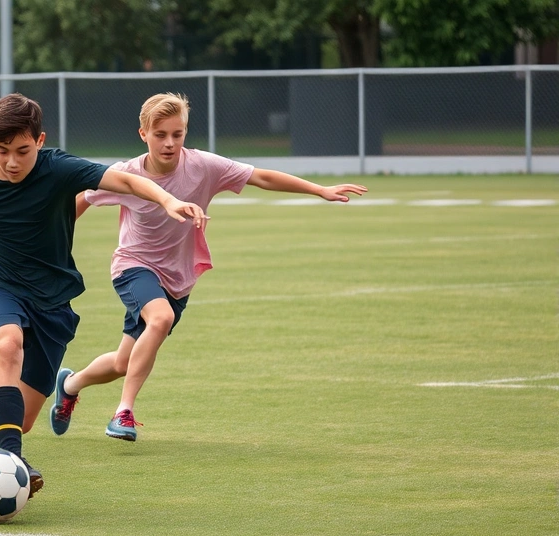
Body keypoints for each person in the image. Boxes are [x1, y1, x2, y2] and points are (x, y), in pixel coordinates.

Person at [0, 93, 208, 501]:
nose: (12, 162)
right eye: (2, 152)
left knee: (19, 419)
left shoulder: (61, 169)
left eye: (22, 150)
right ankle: (14, 463)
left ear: (39, 141)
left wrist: (168, 199)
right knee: (8, 344)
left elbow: (124, 179)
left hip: (52, 303)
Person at [50, 92, 367, 442]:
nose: (170, 143)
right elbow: (81, 198)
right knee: (161, 319)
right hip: (133, 266)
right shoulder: (127, 175)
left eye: (177, 134)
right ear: (143, 134)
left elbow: (261, 177)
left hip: (178, 279)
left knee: (124, 361)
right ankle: (123, 412)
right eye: (160, 135)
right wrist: (53, 244)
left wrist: (319, 189)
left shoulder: (203, 166)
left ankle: (70, 383)